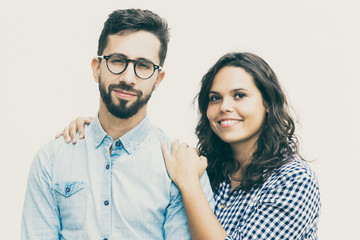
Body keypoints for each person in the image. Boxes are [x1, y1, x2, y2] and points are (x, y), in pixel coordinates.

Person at [64, 52, 321, 239]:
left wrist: (189, 184)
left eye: (239, 95)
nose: (224, 107)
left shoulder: (293, 180)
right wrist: (98, 132)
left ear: (267, 103)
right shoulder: (209, 169)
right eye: (215, 98)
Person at [21, 8, 214, 240]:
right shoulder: (51, 159)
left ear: (157, 80)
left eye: (143, 65)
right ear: (96, 68)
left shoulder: (180, 169)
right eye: (117, 61)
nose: (128, 78)